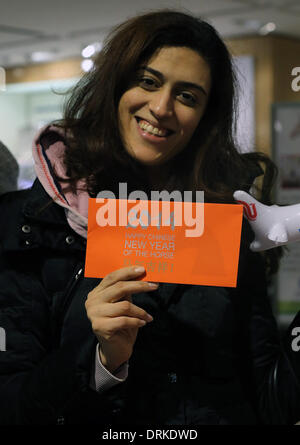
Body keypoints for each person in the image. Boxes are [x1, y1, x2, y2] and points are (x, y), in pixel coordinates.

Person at [0, 9, 299, 426]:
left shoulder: (227, 217)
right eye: (148, 81)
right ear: (115, 85)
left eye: (188, 96)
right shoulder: (32, 224)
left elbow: (266, 385)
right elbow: (12, 403)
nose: (161, 107)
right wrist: (100, 357)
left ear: (205, 117)